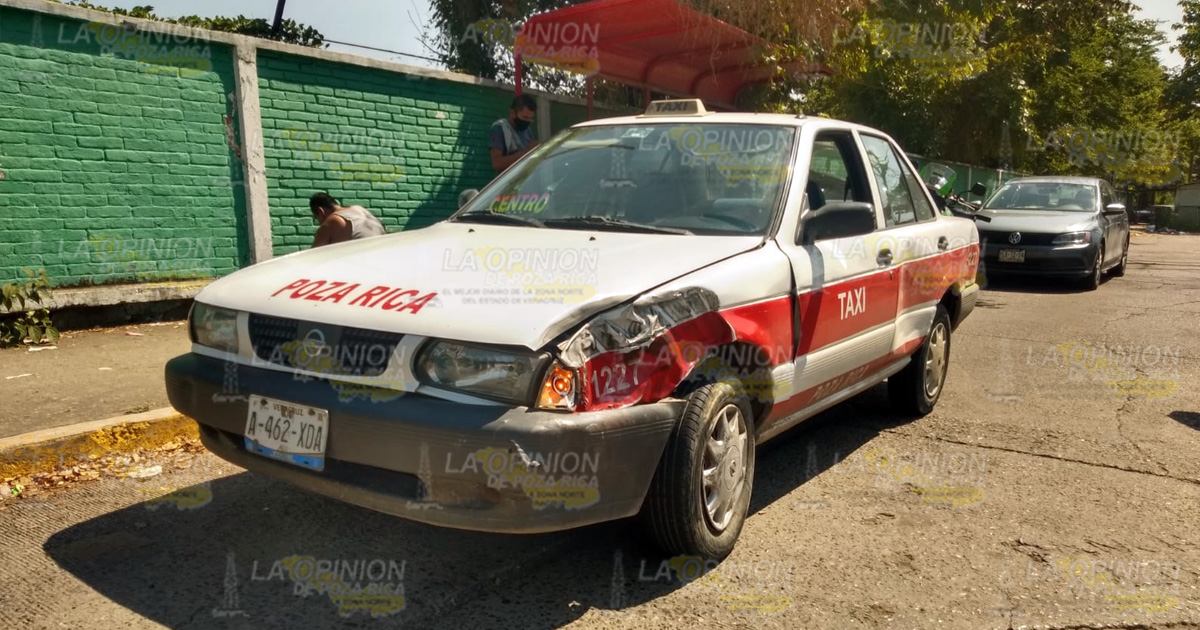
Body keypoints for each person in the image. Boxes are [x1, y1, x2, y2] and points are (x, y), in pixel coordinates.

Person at [309, 192, 386, 248]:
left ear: (320, 211)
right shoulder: (360, 209)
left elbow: (313, 256)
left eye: (316, 217)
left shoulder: (332, 221)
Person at [490, 94, 539, 173]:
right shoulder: (500, 128)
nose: (527, 122)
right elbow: (497, 163)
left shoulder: (527, 130)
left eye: (530, 119)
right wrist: (527, 152)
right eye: (525, 117)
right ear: (512, 113)